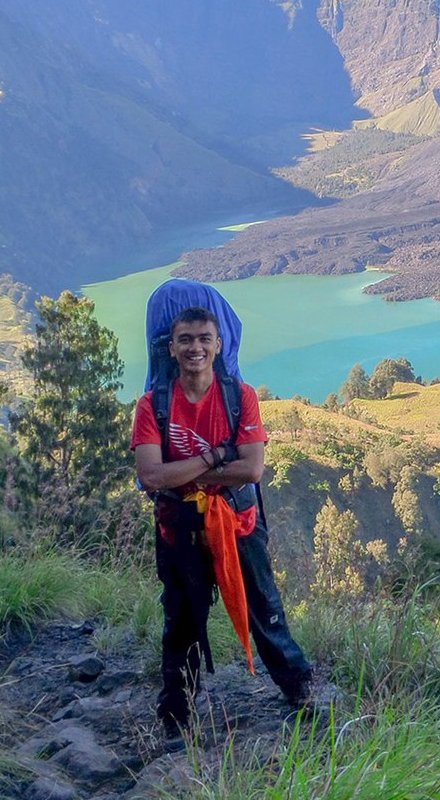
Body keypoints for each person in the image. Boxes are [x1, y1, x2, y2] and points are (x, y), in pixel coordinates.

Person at [131, 306, 313, 742]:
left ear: (219, 345)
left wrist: (184, 472)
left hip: (238, 521)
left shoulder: (239, 396)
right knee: (182, 620)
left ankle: (300, 691)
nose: (196, 347)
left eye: (204, 338)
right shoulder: (153, 405)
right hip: (179, 527)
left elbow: (251, 470)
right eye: (186, 339)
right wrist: (215, 457)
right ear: (171, 348)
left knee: (263, 608)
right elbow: (151, 476)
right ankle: (176, 714)